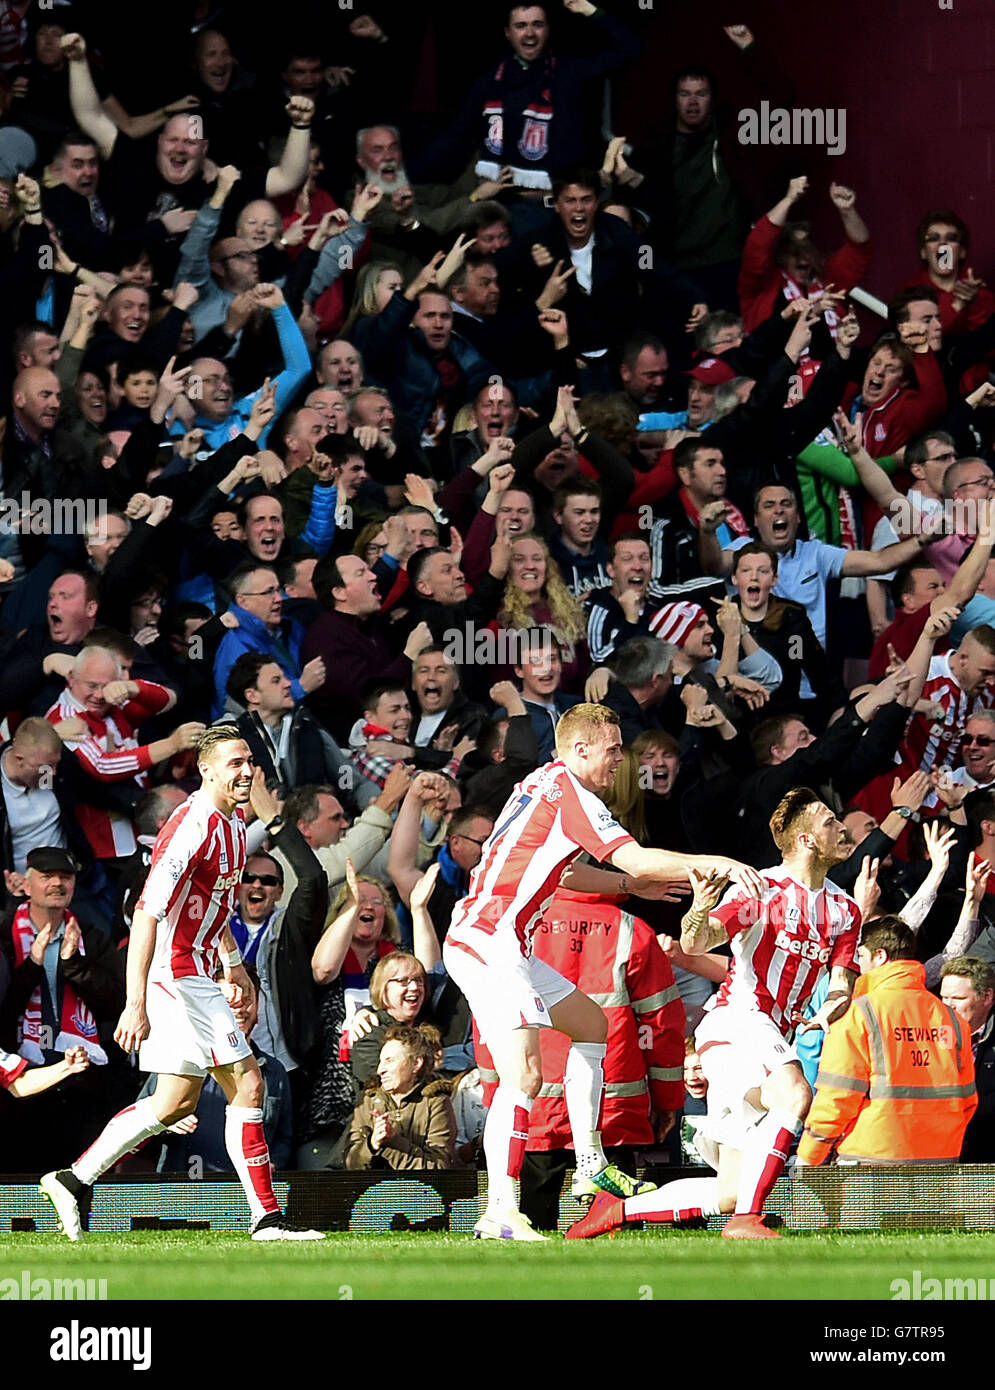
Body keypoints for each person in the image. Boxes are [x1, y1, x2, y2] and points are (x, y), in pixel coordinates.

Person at [442, 700, 762, 1240]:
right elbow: (634, 857)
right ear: (580, 749)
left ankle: (590, 1161)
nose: (622, 761)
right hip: (488, 939)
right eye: (614, 750)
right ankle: (499, 1211)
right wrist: (719, 863)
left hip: (501, 940)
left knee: (591, 1025)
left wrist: (630, 889)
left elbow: (566, 876)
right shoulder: (572, 792)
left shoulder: (542, 784)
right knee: (525, 1075)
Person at [39, 726, 323, 1242]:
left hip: (199, 969)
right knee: (250, 1083)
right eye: (234, 763)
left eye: (249, 762)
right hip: (177, 976)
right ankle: (267, 1218)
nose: (245, 772)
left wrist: (235, 965)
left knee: (174, 1103)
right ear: (206, 770)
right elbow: (147, 914)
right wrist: (134, 1002)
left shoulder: (236, 823)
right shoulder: (192, 825)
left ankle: (71, 1179)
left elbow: (212, 910)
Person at [567, 786, 859, 1240]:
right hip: (737, 1019)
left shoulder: (846, 909)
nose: (841, 827)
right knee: (797, 1094)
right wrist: (700, 907)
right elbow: (696, 942)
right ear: (805, 840)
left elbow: (841, 983)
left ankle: (616, 1211)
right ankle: (747, 1223)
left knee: (730, 1191)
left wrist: (831, 1010)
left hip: (768, 1035)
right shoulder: (762, 890)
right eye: (829, 822)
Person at [796, 917, 976, 1166]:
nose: (858, 965)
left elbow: (837, 1097)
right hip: (939, 1164)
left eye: (861, 956)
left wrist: (807, 1158)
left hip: (870, 1162)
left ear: (879, 956)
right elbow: (967, 1100)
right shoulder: (952, 1020)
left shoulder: (860, 1014)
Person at [343, 1023, 456, 1171]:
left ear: (416, 1063)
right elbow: (350, 1166)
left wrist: (393, 1142)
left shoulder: (436, 1102)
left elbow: (438, 1168)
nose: (380, 1070)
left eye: (389, 1061)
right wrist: (372, 1144)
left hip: (420, 1192)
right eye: (380, 1061)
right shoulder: (369, 1100)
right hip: (373, 1192)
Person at [940, 956, 995, 1162]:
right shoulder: (929, 1037)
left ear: (986, 997)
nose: (948, 1006)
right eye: (944, 998)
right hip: (940, 1156)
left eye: (958, 999)